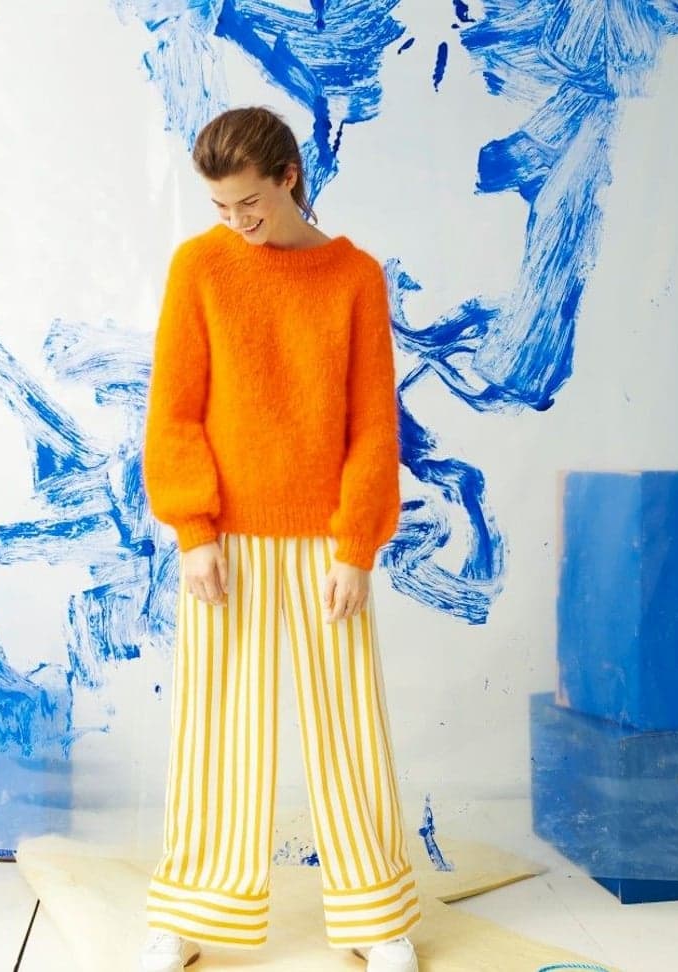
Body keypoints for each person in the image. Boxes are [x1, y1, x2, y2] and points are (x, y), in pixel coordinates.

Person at [139, 106, 420, 972]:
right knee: (215, 730)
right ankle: (193, 912)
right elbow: (174, 410)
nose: (236, 221)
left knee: (350, 730)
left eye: (249, 203)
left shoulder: (355, 277)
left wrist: (357, 547)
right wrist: (193, 530)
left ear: (289, 177)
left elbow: (373, 424)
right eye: (221, 207)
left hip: (328, 538)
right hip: (224, 540)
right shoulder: (199, 268)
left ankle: (375, 914)